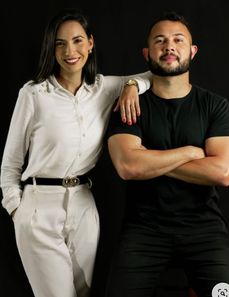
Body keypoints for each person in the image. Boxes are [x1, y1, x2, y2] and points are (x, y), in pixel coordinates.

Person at [0, 8, 152, 297]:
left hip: (83, 205)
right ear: (52, 48)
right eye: (60, 43)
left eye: (78, 41)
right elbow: (10, 164)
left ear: (90, 43)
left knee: (83, 293)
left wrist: (131, 85)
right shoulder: (33, 94)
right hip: (37, 209)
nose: (70, 51)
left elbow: (152, 75)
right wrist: (17, 209)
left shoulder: (102, 88)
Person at [105, 11, 229, 297]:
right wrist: (190, 153)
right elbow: (128, 166)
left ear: (192, 50)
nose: (169, 46)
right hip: (144, 229)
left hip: (205, 229)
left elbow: (222, 173)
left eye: (178, 40)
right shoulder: (129, 105)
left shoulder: (215, 106)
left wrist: (149, 159)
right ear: (147, 52)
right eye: (160, 40)